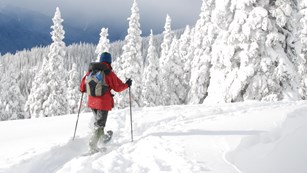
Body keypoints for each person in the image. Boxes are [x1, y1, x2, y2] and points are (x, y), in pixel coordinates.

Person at [80, 52, 132, 152]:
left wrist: (84, 90)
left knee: (99, 121)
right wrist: (127, 84)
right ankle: (92, 146)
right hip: (103, 104)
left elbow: (82, 87)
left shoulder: (91, 71)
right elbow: (117, 87)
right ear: (109, 61)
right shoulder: (109, 73)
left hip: (92, 102)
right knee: (100, 124)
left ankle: (102, 137)